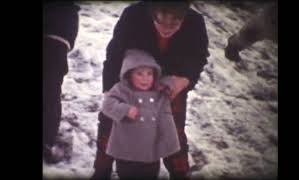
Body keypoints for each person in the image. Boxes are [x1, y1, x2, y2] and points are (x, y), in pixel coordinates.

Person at [92, 1, 209, 179]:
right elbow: (114, 53)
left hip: (169, 86)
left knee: (173, 129)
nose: (167, 28)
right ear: (152, 11)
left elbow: (198, 57)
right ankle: (101, 171)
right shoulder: (133, 14)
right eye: (161, 21)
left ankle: (179, 173)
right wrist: (111, 91)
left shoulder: (195, 23)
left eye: (174, 23)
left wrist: (184, 80)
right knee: (110, 124)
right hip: (132, 81)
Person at [101, 49, 180, 179]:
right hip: (126, 151)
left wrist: (167, 84)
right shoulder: (122, 89)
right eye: (139, 74)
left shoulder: (159, 91)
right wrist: (125, 109)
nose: (145, 78)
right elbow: (107, 105)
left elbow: (171, 81)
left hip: (151, 151)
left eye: (149, 74)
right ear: (129, 74)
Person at [43, 2, 80, 164]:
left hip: (57, 32)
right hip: (59, 32)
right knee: (50, 88)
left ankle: (45, 140)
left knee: (50, 88)